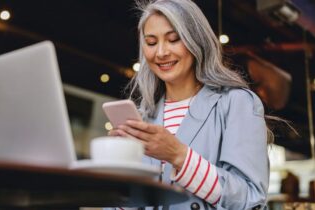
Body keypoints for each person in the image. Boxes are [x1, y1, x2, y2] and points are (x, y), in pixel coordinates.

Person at [109, 0, 270, 209]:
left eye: (173, 39)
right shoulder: (142, 118)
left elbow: (251, 200)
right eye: (151, 42)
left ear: (197, 41)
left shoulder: (236, 103)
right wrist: (118, 171)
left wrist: (179, 156)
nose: (161, 52)